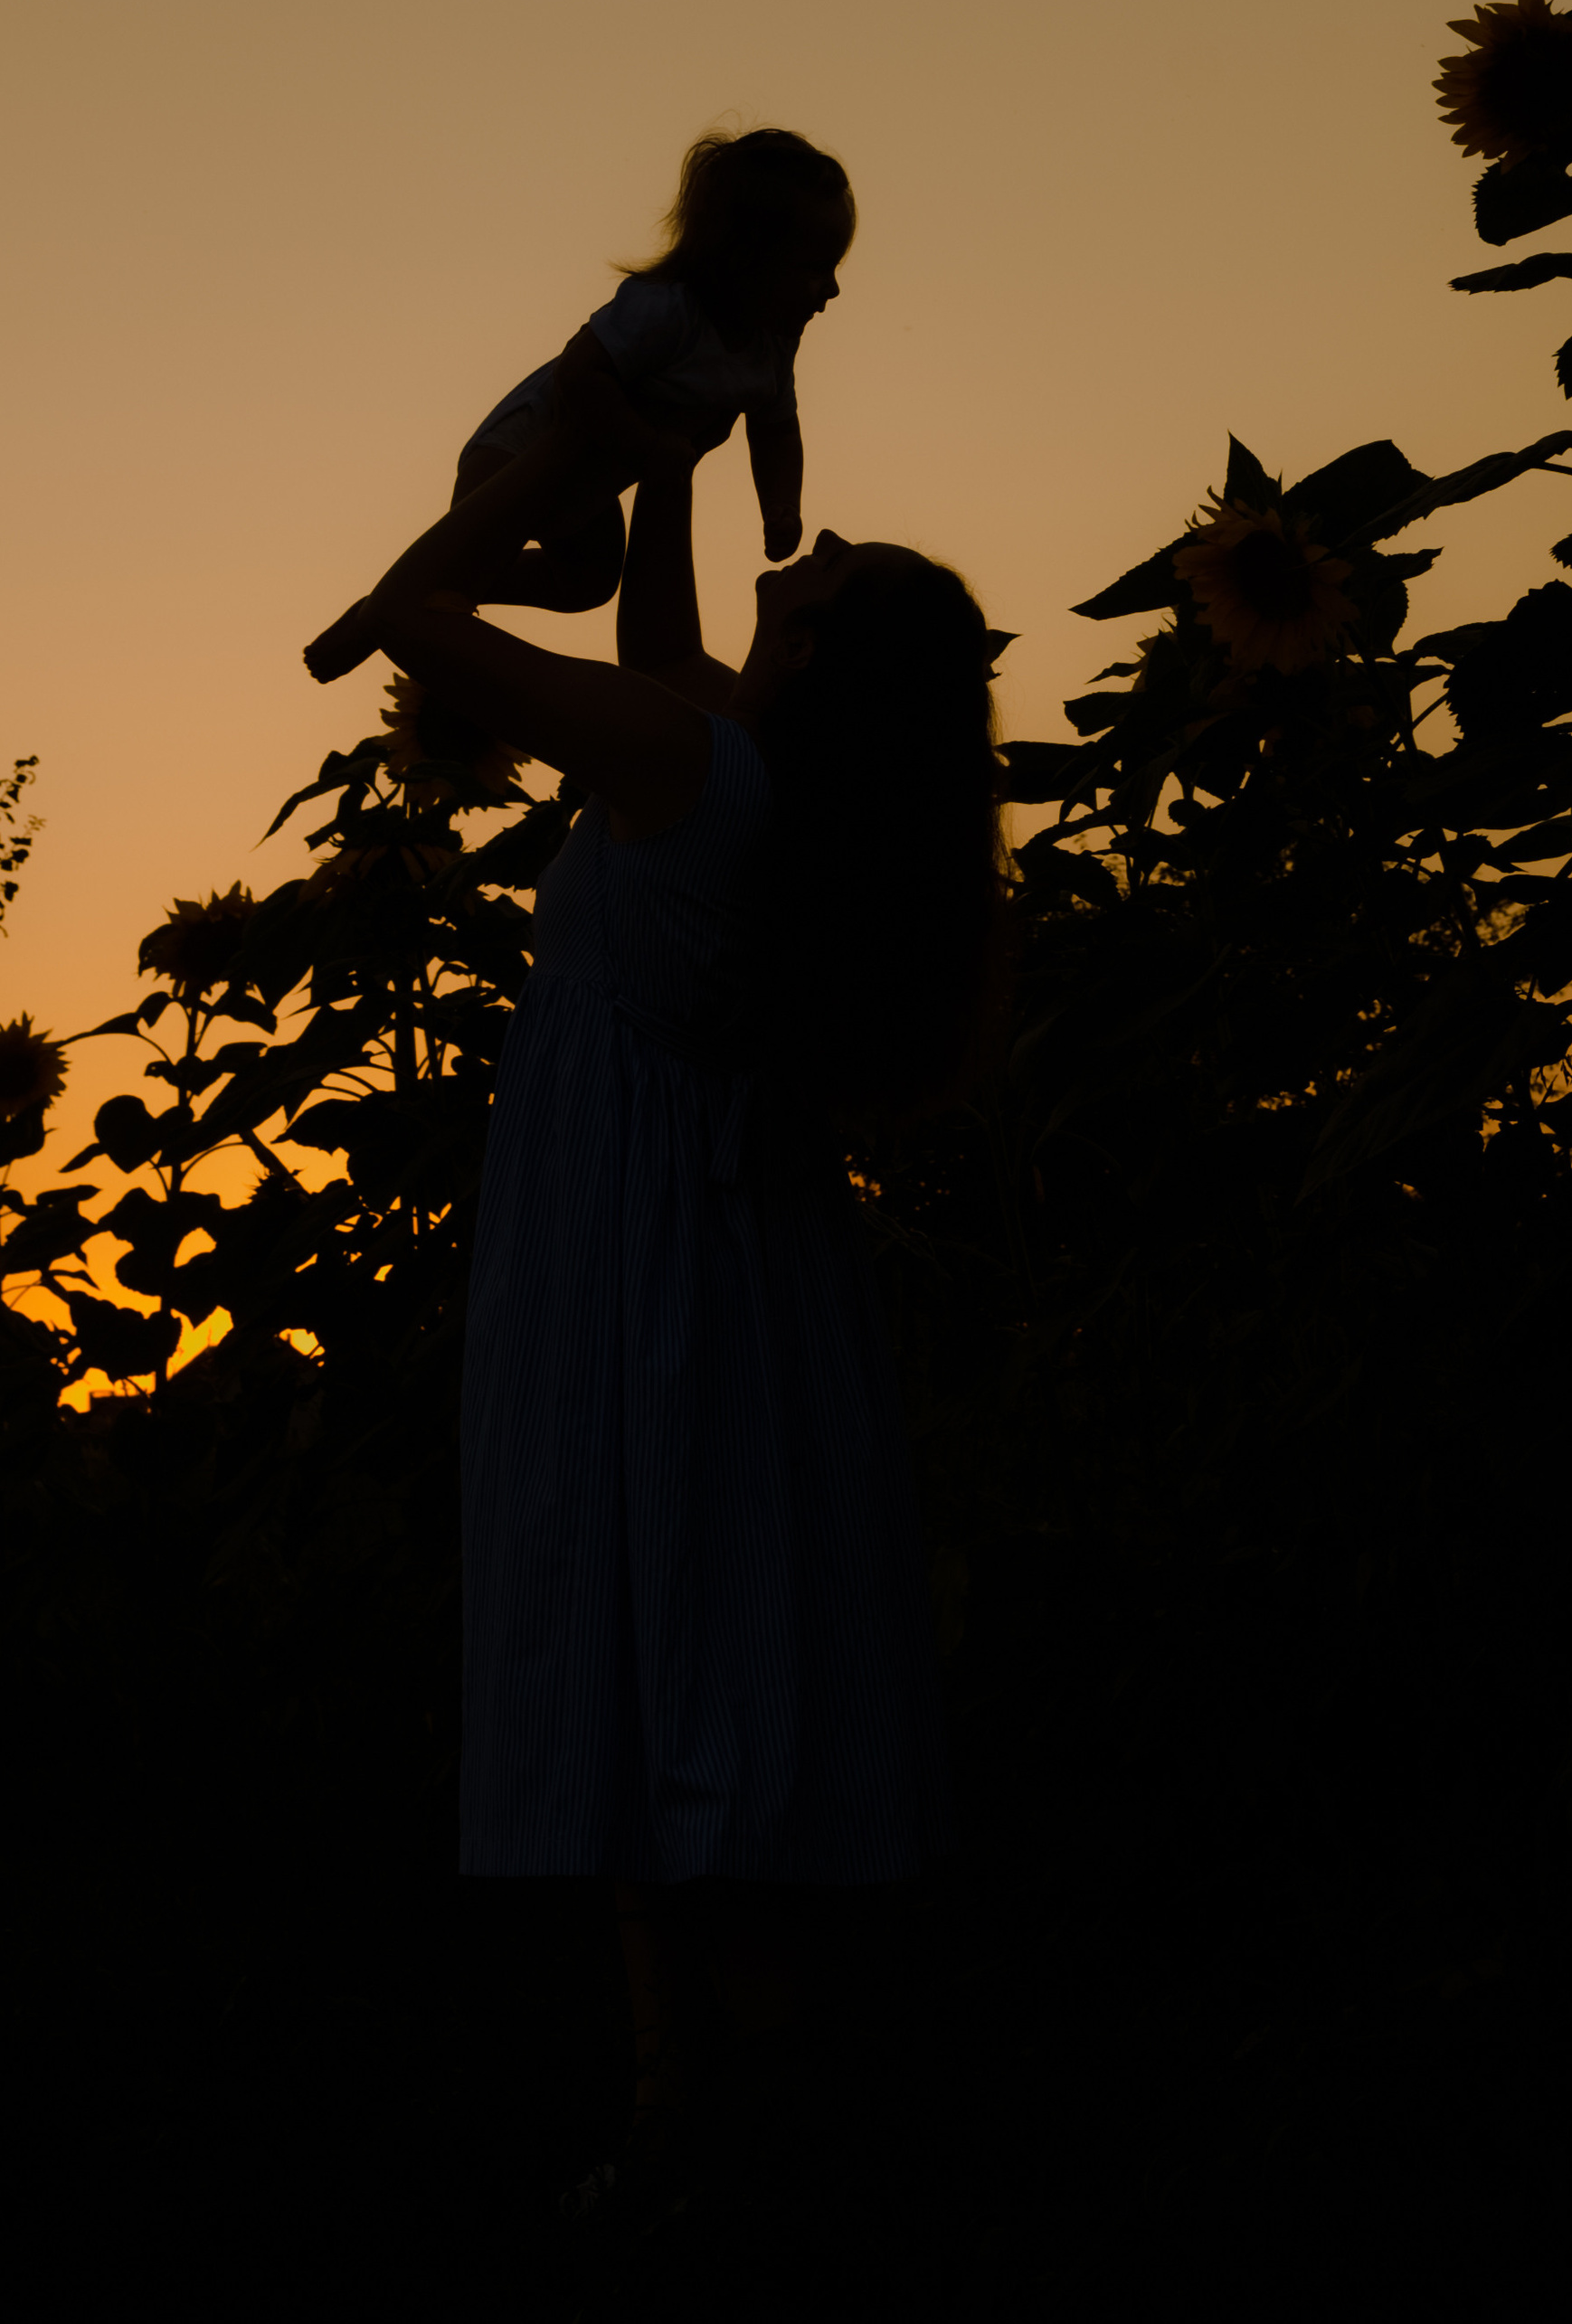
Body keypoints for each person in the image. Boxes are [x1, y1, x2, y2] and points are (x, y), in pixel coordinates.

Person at [303, 343, 1007, 2221]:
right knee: (704, 1631)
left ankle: (721, 2126)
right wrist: (675, 466)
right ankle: (717, 2108)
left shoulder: (689, 767)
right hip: (729, 1257)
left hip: (635, 1257)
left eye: (837, 564)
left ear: (824, 655)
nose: (820, 540)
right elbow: (665, 644)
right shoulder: (751, 773)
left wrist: (555, 472)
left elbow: (413, 622)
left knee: (660, 1623)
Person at [306, 127, 855, 659]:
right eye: (815, 269)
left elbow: (776, 429)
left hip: (590, 488)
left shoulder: (773, 347)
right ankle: (376, 615)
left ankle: (422, 592)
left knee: (588, 582)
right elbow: (579, 375)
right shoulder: (667, 310)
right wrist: (646, 447)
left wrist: (781, 506)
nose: (831, 289)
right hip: (517, 452)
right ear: (744, 258)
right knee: (456, 575)